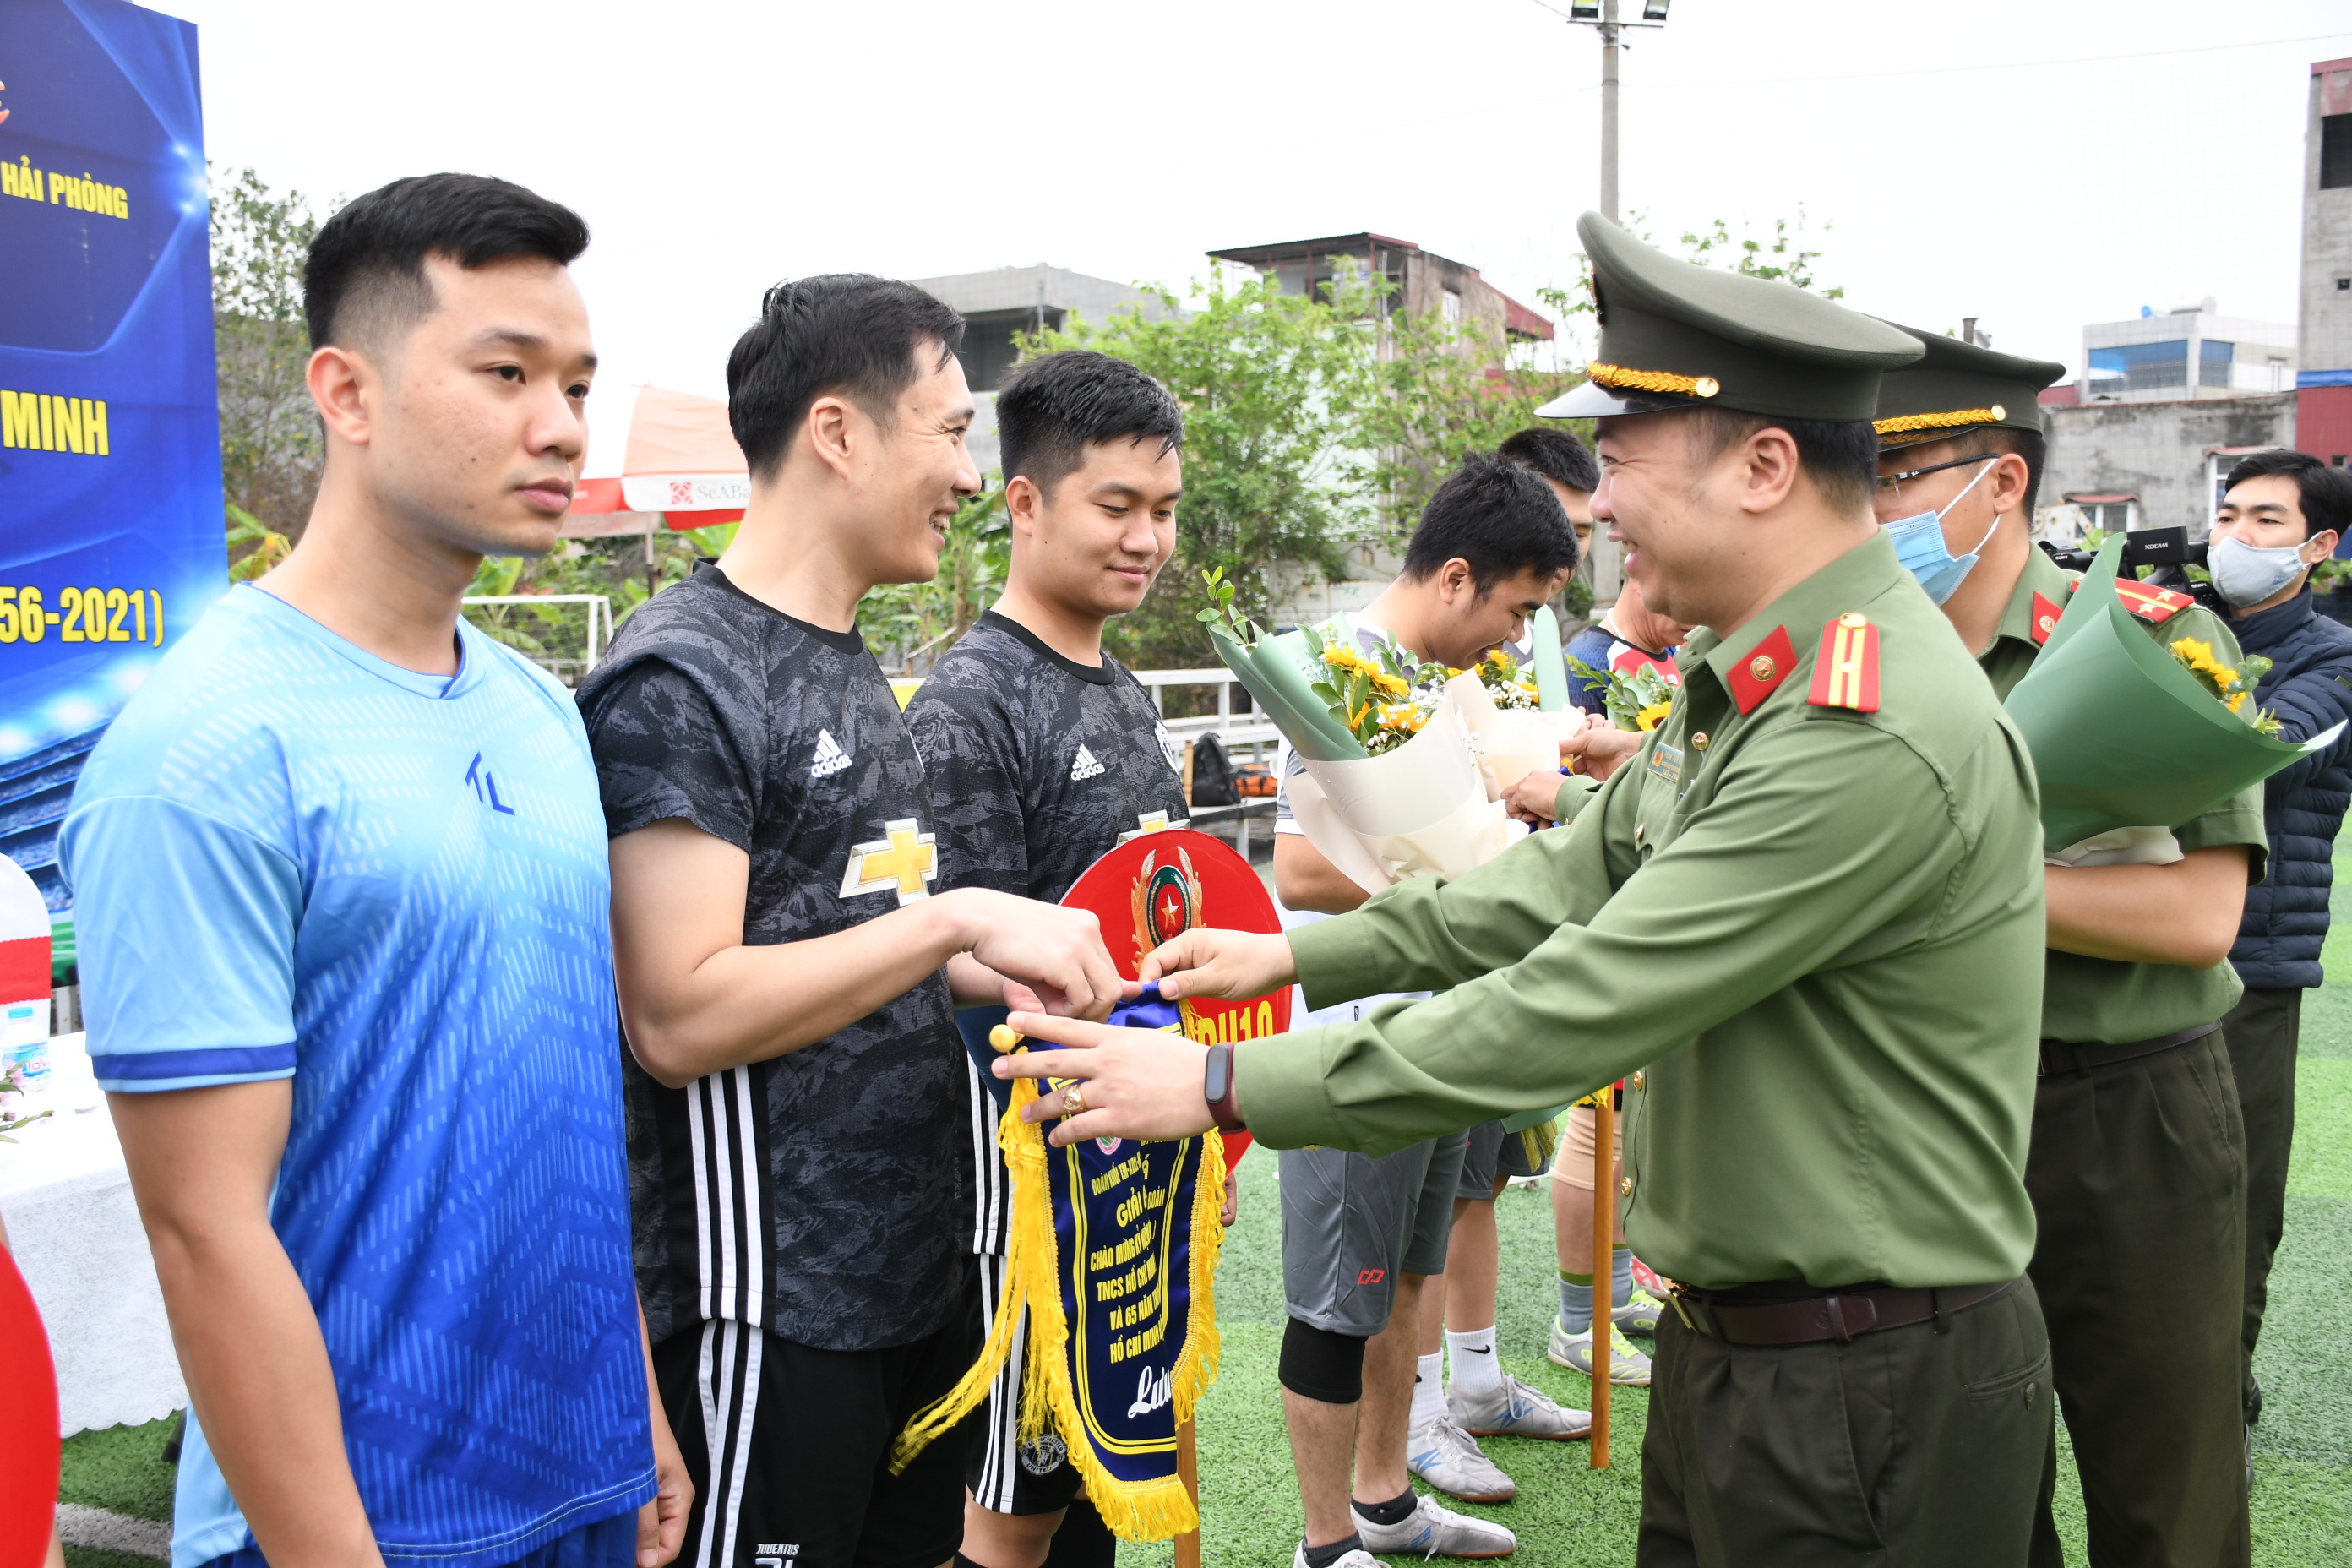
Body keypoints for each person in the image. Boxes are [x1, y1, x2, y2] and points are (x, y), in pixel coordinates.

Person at [991, 214, 2058, 1568]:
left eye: (1618, 465)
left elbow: (1581, 999)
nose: (1597, 505)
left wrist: (1216, 1088)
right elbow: (1551, 883)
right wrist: (1290, 959)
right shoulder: (1763, 678)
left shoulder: (1862, 722)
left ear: (1766, 466)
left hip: (1864, 1377)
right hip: (1770, 1353)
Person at [62, 174, 689, 1568]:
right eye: (506, 372)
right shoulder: (202, 752)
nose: (559, 426)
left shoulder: (535, 710)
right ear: (346, 394)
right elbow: (203, 1232)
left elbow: (559, 1101)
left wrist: (631, 1401)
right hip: (361, 1527)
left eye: (577, 384)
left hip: (583, 1482)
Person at [577, 276, 1124, 1568]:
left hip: (911, 1286)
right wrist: (955, 924)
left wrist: (1022, 971)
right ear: (837, 432)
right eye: (947, 431)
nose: (973, 476)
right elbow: (676, 1012)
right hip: (771, 1309)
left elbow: (850, 952)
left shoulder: (845, 657)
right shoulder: (681, 672)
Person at [1869, 325, 2264, 1567]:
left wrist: (1967, 879)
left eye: (1900, 478)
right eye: (1859, 482)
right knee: (1970, 1495)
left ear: (2003, 482)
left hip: (2124, 1116)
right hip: (1931, 1116)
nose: (1874, 512)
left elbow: (2199, 917)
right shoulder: (1870, 666)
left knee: (2168, 1491)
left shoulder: (2154, 641)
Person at [900, 348, 1193, 1568]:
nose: (1147, 540)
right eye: (1115, 507)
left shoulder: (1122, 691)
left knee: (1094, 1502)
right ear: (1023, 502)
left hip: (1134, 1171)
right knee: (1010, 1523)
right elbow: (945, 962)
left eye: (1165, 511)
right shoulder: (972, 702)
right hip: (1027, 1192)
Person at [1264, 454, 1582, 1568]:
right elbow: (1298, 874)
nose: (1512, 638)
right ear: (1457, 577)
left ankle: (1387, 1500)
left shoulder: (1445, 686)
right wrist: (1453, 900)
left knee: (1408, 1276)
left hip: (1439, 1029)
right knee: (1334, 1301)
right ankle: (1324, 1541)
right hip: (1357, 1043)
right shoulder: (1331, 674)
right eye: (1516, 610)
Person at [2208, 450, 2352, 1435]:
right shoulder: (2174, 627)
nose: (2238, 538)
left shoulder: (2335, 658)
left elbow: (2259, 758)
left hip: (2252, 962)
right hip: (2130, 950)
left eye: (2266, 521)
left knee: (2236, 1190)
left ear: (2318, 546)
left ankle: (2223, 1384)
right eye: (2228, 515)